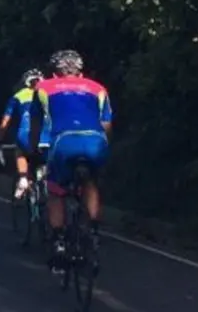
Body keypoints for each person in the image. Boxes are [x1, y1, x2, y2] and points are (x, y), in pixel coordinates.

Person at [36, 49, 112, 272]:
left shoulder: (44, 87)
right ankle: (94, 232)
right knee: (91, 183)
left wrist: (34, 149)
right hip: (96, 141)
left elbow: (37, 124)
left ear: (54, 73)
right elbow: (107, 124)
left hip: (64, 142)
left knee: (56, 191)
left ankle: (59, 242)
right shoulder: (98, 88)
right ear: (81, 72)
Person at [0, 67, 52, 200]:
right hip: (48, 136)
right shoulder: (48, 94)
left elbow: (6, 121)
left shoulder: (18, 96)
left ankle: (23, 178)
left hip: (26, 135)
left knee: (20, 151)